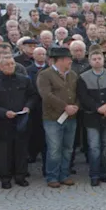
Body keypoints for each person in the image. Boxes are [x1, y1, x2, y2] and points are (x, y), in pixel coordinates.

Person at [0, 50, 35, 189]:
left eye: (12, 63)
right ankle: (5, 177)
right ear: (0, 66)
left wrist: (28, 107)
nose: (10, 66)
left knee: (21, 150)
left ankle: (20, 176)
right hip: (3, 122)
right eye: (6, 64)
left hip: (21, 120)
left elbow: (32, 96)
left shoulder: (24, 80)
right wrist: (4, 112)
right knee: (4, 151)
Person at [37, 46, 80, 188]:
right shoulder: (45, 75)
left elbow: (78, 93)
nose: (70, 61)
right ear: (59, 60)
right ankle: (52, 176)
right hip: (53, 118)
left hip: (71, 117)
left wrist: (76, 106)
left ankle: (64, 174)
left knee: (68, 148)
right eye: (68, 59)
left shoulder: (72, 74)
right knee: (54, 148)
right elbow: (46, 95)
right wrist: (65, 106)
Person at [77, 49, 106, 187]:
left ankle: (104, 173)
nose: (97, 61)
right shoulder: (83, 77)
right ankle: (94, 174)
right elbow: (83, 97)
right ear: (90, 61)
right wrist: (97, 108)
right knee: (94, 146)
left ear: (103, 60)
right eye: (94, 59)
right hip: (91, 117)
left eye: (99, 58)